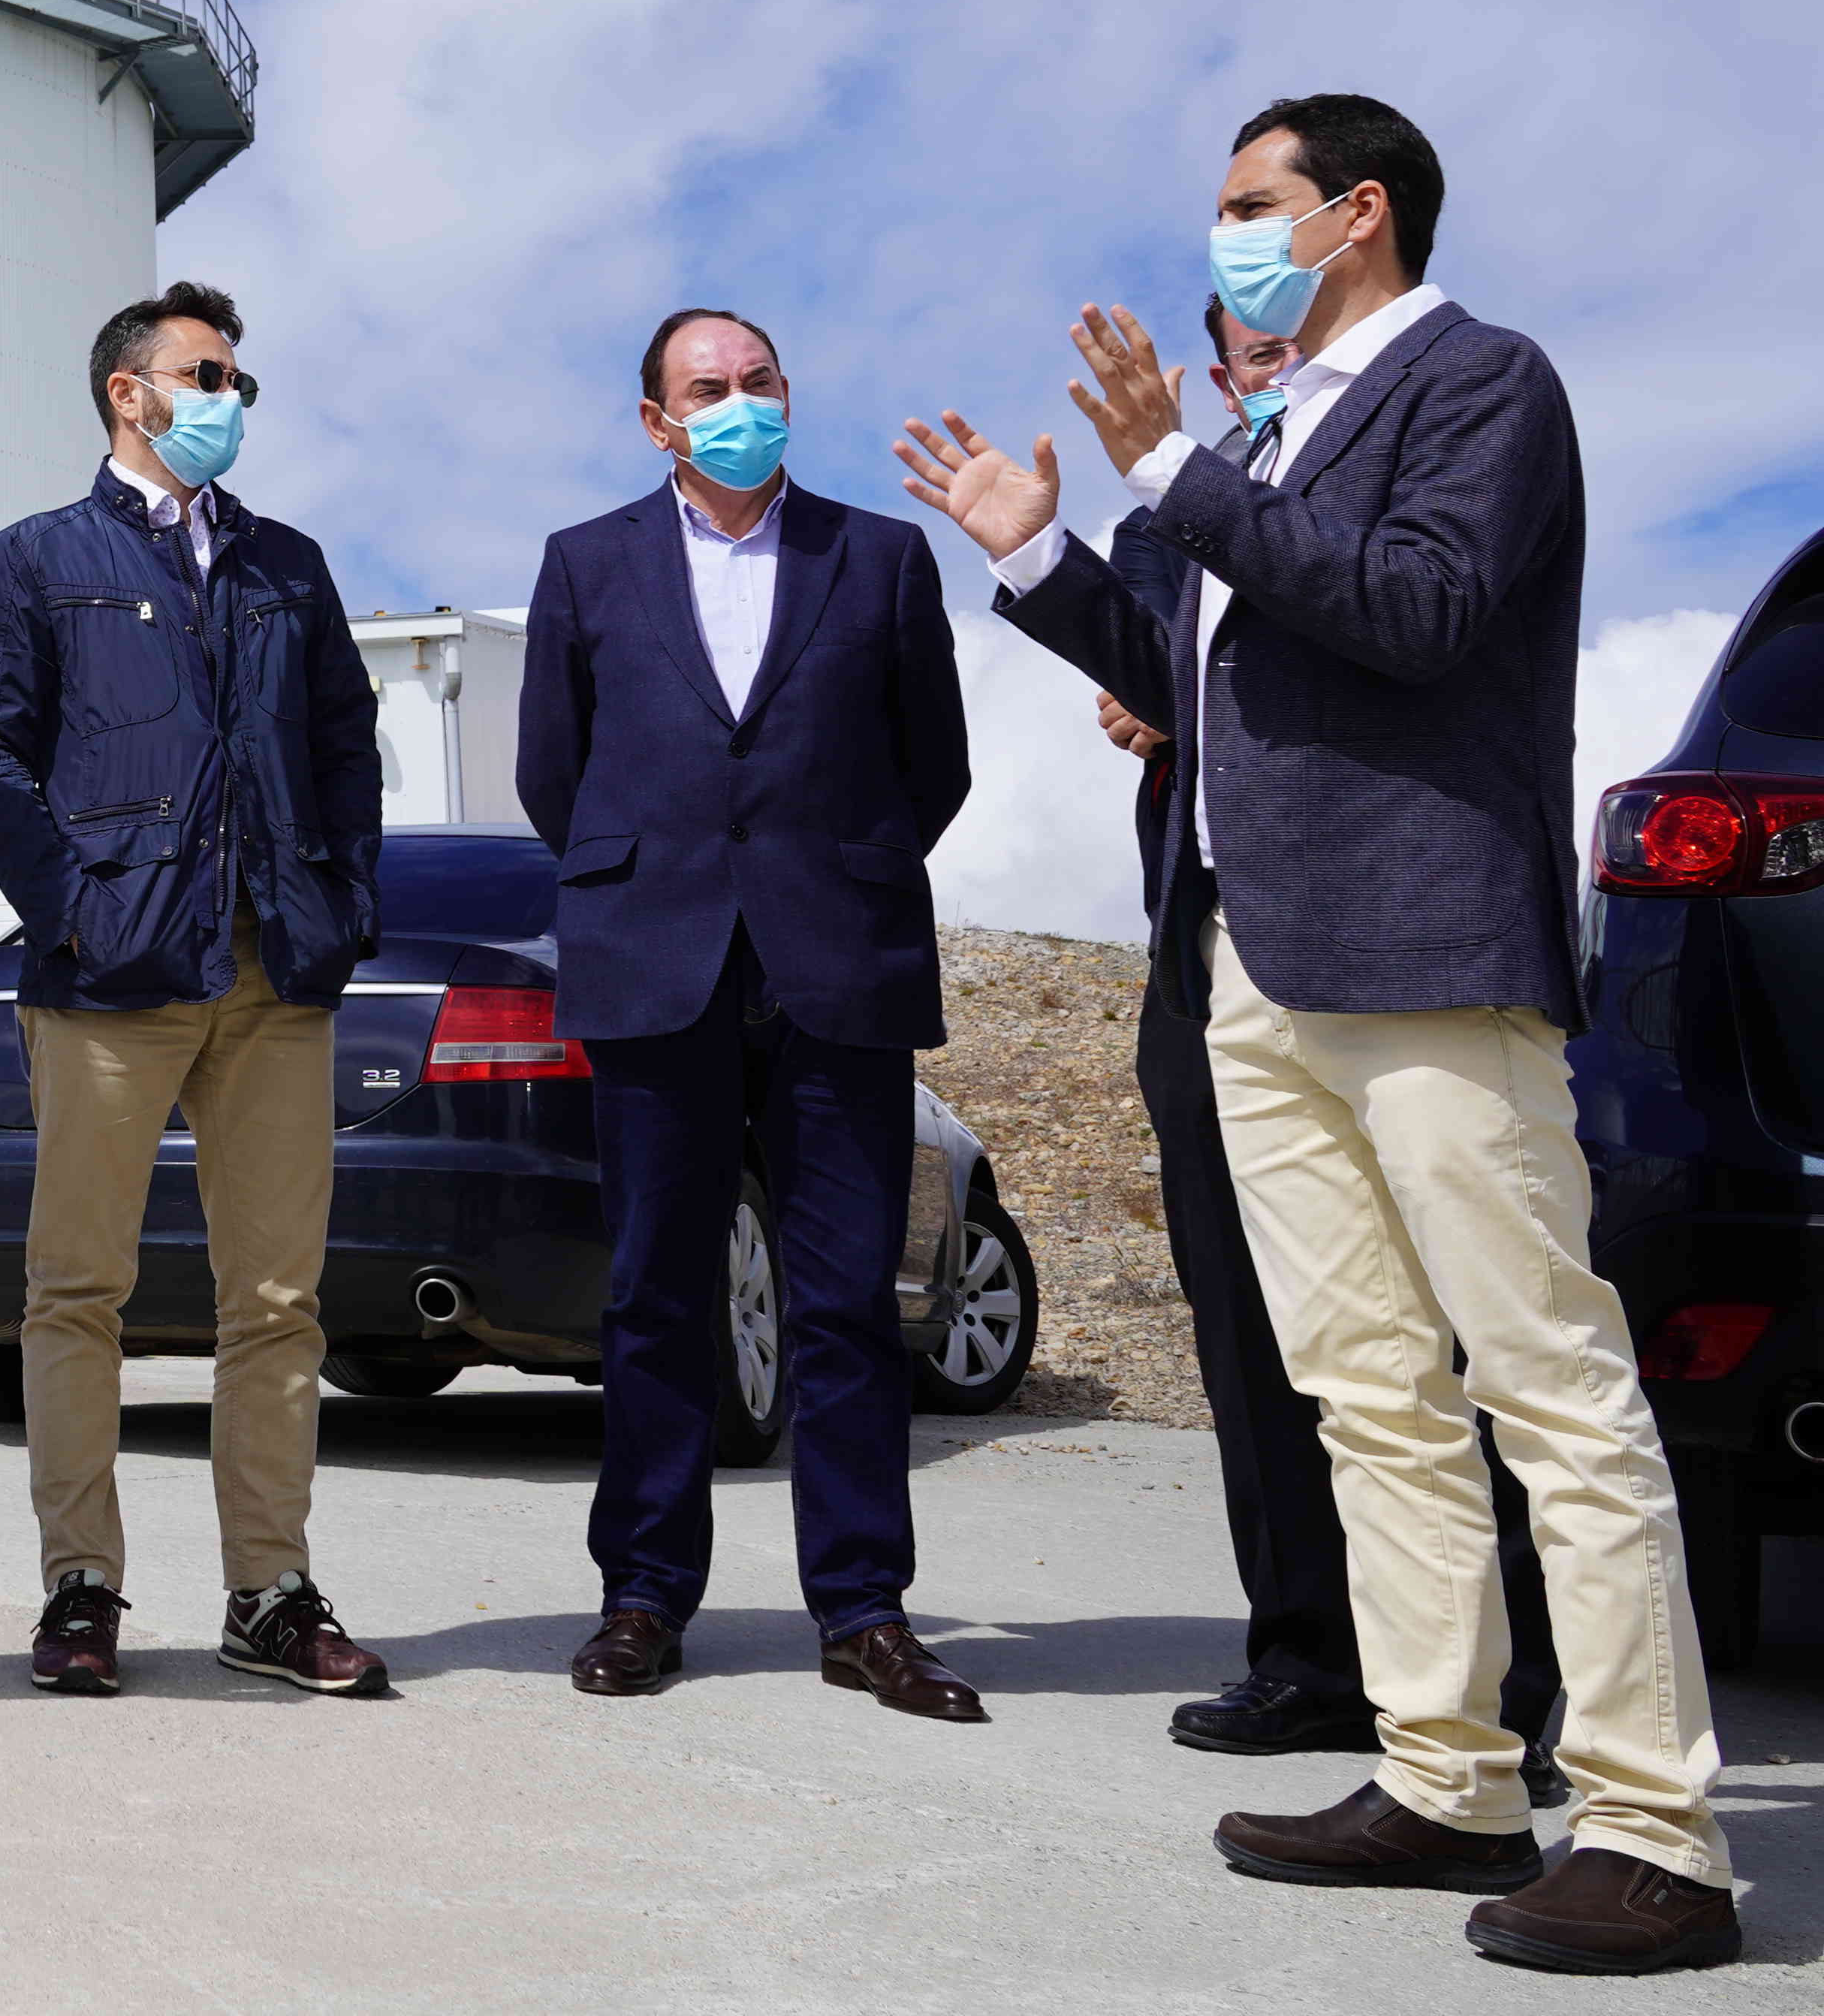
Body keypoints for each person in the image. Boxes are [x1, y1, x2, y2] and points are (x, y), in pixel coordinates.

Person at [899, 95, 1737, 1976]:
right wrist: (1043, 559)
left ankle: (1655, 1832)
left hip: (1423, 944)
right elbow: (1202, 683)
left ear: (1357, 213)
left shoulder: (1477, 382)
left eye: (1248, 202)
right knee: (1367, 1390)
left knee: (1547, 1380)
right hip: (1254, 969)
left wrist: (1171, 466)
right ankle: (1447, 1776)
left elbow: (1420, 609)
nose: (1223, 234)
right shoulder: (1269, 440)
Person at [1084, 312, 1566, 1779]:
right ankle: (1312, 1654)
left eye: (1294, 340)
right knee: (1265, 1323)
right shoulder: (1168, 509)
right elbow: (1145, 677)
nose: (1272, 367)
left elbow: (1408, 624)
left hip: (1391, 929)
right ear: (1221, 375)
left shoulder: (1429, 443)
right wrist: (1058, 574)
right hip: (1211, 947)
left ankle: (1509, 1684)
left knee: (1464, 1324)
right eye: (1247, 353)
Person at [513, 309, 982, 1721]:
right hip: (657, 963)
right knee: (657, 1292)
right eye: (708, 388)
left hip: (838, 960)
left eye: (760, 381)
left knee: (846, 1301)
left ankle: (863, 1609)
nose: (738, 403)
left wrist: (827, 872)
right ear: (656, 419)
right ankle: (644, 1595)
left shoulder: (878, 555)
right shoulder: (586, 563)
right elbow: (555, 775)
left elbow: (934, 765)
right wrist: (665, 882)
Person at [0, 279, 387, 1700]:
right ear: (127, 393)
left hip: (275, 975)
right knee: (79, 1288)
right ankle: (80, 1587)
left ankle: (271, 1592)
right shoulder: (34, 559)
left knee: (278, 1298)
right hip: (109, 976)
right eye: (206, 376)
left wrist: (343, 905)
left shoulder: (287, 565)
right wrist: (73, 910)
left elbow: (347, 748)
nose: (230, 400)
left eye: (237, 382)